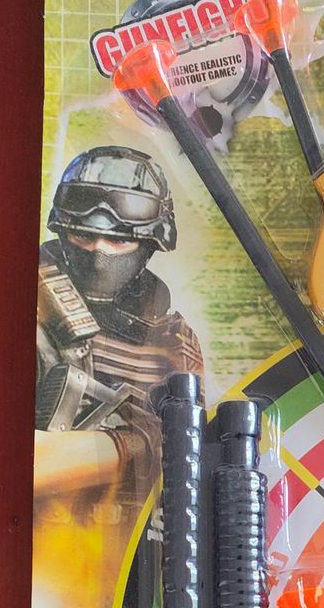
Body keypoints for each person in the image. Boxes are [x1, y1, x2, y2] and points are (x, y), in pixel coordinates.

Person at [35, 146, 203, 500]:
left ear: (149, 245)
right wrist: (130, 448)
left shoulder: (172, 340)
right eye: (83, 236)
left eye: (118, 240)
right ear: (63, 232)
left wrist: (133, 447)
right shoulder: (31, 301)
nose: (99, 252)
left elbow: (190, 452)